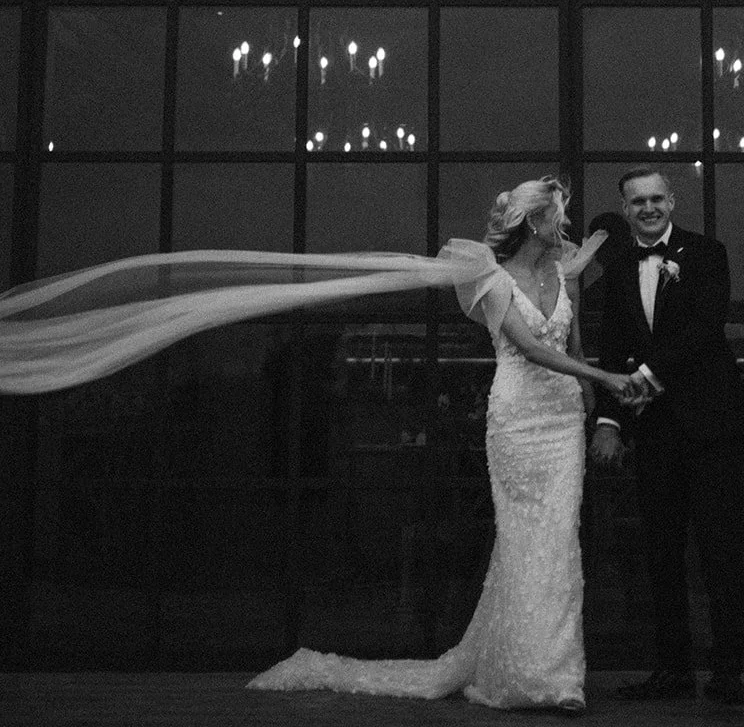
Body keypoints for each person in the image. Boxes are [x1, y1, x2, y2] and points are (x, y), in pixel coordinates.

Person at [249, 176, 642, 714]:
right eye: (558, 217)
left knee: (560, 542)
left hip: (562, 420)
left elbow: (573, 344)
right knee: (524, 540)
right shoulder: (494, 278)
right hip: (517, 421)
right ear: (533, 221)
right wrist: (605, 379)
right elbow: (530, 350)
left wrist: (597, 408)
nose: (565, 227)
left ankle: (556, 675)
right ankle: (526, 675)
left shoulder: (565, 273)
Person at [589, 166, 744, 711]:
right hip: (654, 434)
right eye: (637, 202)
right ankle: (672, 671)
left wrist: (647, 378)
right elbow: (611, 344)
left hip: (711, 429)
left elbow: (706, 330)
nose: (648, 208)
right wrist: (609, 423)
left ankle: (728, 673)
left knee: (721, 554)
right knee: (660, 555)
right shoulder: (616, 267)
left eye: (656, 198)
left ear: (673, 202)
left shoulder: (708, 253)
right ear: (626, 207)